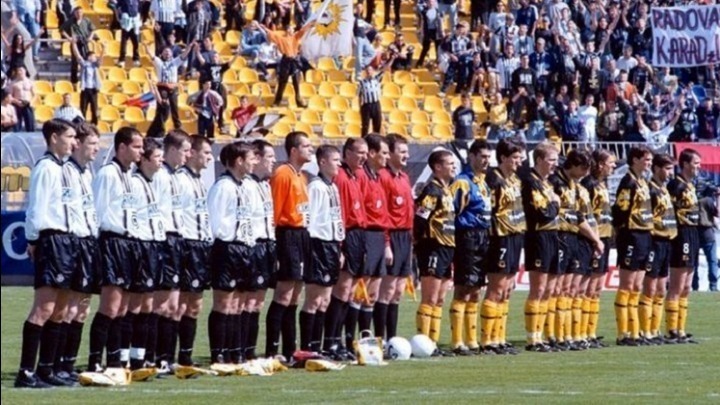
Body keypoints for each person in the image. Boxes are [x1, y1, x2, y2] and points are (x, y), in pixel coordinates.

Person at [15, 119, 77, 388]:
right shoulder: (45, 167)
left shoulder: (64, 168)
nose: (74, 142)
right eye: (70, 136)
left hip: (67, 241)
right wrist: (33, 239)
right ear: (54, 138)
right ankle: (26, 372)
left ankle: (46, 369)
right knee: (44, 308)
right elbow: (36, 208)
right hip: (52, 240)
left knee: (60, 310)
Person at [87, 127, 143, 372]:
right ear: (122, 147)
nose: (141, 151)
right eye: (136, 146)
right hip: (111, 242)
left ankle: (114, 360)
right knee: (110, 306)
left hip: (129, 243)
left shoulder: (130, 175)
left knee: (122, 308)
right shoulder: (107, 174)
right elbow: (97, 211)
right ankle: (94, 361)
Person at [55, 122, 100, 381]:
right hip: (74, 242)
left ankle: (68, 364)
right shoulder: (67, 171)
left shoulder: (87, 172)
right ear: (78, 144)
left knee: (82, 308)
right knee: (69, 307)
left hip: (89, 243)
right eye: (92, 143)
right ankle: (58, 364)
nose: (96, 148)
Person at [207, 141, 257, 364]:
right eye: (250, 158)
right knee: (224, 302)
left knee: (239, 303)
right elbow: (214, 221)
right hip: (226, 248)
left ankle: (235, 351)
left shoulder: (246, 186)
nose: (253, 162)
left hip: (244, 247)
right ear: (238, 161)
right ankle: (219, 352)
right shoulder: (223, 187)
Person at [266, 131, 313, 361]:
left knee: (295, 296)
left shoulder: (302, 176)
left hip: (301, 234)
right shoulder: (282, 174)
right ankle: (271, 350)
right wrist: (275, 243)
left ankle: (290, 349)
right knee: (283, 294)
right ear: (294, 150)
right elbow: (275, 211)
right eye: (306, 146)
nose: (310, 149)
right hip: (287, 234)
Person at [480, 136, 525, 355]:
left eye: (520, 157)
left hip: (515, 235)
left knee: (507, 290)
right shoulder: (493, 179)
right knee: (496, 288)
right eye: (515, 157)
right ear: (504, 158)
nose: (519, 161)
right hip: (500, 237)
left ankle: (499, 337)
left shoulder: (515, 180)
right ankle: (487, 340)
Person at [150, 130, 190, 369]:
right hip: (163, 239)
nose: (188, 155)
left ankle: (167, 357)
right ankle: (153, 357)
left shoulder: (179, 177)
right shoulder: (159, 175)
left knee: (174, 305)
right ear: (172, 150)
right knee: (160, 304)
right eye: (184, 150)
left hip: (178, 240)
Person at [324, 137, 367, 360]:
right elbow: (338, 212)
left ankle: (339, 341)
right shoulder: (340, 177)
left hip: (359, 235)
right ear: (347, 153)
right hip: (347, 234)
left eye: (365, 153)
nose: (364, 157)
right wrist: (340, 246)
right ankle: (330, 341)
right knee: (341, 290)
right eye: (360, 152)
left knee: (350, 292)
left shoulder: (355, 175)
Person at [126, 138, 166, 370]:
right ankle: (123, 358)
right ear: (145, 160)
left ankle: (140, 357)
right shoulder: (134, 182)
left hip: (154, 245)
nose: (161, 161)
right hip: (140, 245)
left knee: (148, 304)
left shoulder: (154, 182)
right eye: (157, 157)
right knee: (134, 304)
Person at [449, 139, 492, 355]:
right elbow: (453, 211)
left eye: (488, 157)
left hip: (483, 237)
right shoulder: (462, 182)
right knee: (464, 288)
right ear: (471, 157)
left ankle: (472, 340)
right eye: (482, 156)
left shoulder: (482, 182)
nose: (486, 161)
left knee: (476, 290)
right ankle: (457, 342)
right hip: (467, 237)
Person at [174, 135, 214, 367]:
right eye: (206, 152)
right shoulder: (180, 179)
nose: (210, 157)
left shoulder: (200, 180)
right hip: (186, 244)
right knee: (180, 303)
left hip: (201, 246)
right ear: (192, 153)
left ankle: (186, 355)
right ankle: (168, 356)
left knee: (195, 304)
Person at [301, 145, 344, 352]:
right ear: (323, 162)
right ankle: (307, 347)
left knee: (325, 300)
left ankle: (318, 347)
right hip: (319, 245)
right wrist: (311, 250)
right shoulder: (316, 187)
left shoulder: (332, 187)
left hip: (332, 245)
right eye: (335, 160)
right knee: (314, 299)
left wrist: (339, 247)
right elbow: (310, 220)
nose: (339, 164)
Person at [414, 149, 456, 351]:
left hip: (447, 246)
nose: (454, 166)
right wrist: (419, 241)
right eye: (450, 163)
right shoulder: (432, 190)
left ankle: (433, 343)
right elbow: (421, 218)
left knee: (439, 299)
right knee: (430, 298)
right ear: (437, 167)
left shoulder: (447, 189)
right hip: (433, 247)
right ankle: (423, 343)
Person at [611, 145, 653, 346]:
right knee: (627, 285)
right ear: (635, 160)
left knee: (637, 286)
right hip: (631, 235)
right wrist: (622, 232)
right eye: (646, 159)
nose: (649, 163)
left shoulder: (642, 181)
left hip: (644, 234)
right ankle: (623, 333)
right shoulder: (628, 182)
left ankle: (634, 332)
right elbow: (620, 210)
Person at [521, 141, 560, 352]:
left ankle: (541, 335)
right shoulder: (531, 182)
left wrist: (553, 205)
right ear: (539, 160)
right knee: (538, 289)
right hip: (538, 237)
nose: (555, 164)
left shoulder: (547, 183)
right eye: (551, 160)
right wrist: (555, 204)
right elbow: (542, 214)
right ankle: (532, 338)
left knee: (549, 290)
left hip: (552, 236)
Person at [376, 134, 413, 343]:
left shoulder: (404, 177)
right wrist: (386, 243)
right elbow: (383, 213)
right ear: (389, 154)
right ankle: (379, 338)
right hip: (391, 236)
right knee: (387, 290)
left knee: (398, 291)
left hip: (405, 237)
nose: (407, 155)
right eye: (402, 151)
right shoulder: (383, 177)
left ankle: (392, 339)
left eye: (407, 151)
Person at [242, 139, 277, 360]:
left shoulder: (265, 185)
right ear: (257, 158)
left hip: (267, 245)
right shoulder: (246, 185)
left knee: (258, 302)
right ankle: (240, 350)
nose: (274, 160)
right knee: (247, 300)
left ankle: (250, 351)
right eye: (269, 156)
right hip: (253, 245)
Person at [666, 149, 702, 344]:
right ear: (685, 164)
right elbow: (668, 212)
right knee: (677, 285)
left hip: (693, 233)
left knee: (687, 286)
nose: (699, 166)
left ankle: (681, 328)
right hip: (681, 235)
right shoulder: (676, 185)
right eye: (696, 163)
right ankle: (672, 329)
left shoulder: (690, 185)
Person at [357, 134, 391, 339]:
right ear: (371, 153)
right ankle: (348, 340)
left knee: (372, 293)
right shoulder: (361, 176)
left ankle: (367, 338)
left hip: (379, 237)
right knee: (358, 290)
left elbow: (382, 214)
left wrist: (386, 243)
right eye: (384, 153)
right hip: (366, 235)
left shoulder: (378, 177)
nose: (387, 157)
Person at [581, 149, 616, 348]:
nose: (613, 166)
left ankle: (590, 332)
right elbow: (586, 216)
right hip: (594, 240)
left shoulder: (602, 184)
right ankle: (581, 332)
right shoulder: (589, 185)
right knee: (589, 288)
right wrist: (594, 240)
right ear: (600, 165)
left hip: (604, 238)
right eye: (610, 163)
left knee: (596, 290)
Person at [642, 153, 677, 345]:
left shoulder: (664, 189)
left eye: (672, 168)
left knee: (661, 289)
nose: (671, 173)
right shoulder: (650, 189)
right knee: (650, 287)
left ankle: (655, 330)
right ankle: (644, 331)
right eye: (668, 168)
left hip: (666, 241)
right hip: (654, 241)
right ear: (656, 168)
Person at [255, 21, 314, 108]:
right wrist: (264, 28)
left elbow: (302, 31)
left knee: (296, 83)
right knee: (282, 83)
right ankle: (277, 101)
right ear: (287, 30)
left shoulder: (295, 37)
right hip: (286, 61)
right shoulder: (281, 39)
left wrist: (309, 25)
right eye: (291, 29)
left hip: (294, 61)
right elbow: (272, 34)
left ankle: (299, 101)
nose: (293, 30)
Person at [70, 38, 102, 125]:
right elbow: (77, 55)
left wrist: (104, 49)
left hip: (93, 89)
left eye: (94, 56)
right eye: (92, 56)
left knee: (94, 109)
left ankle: (94, 124)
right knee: (83, 108)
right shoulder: (84, 64)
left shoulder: (95, 65)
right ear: (88, 57)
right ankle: (82, 124)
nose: (94, 58)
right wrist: (74, 44)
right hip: (85, 89)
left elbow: (100, 59)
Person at [60, 7, 96, 85]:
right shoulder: (70, 21)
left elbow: (93, 30)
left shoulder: (86, 20)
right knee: (75, 61)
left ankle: (86, 79)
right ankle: (74, 81)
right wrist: (69, 38)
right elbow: (62, 30)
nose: (79, 14)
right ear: (74, 13)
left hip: (84, 42)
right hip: (75, 43)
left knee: (86, 60)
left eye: (80, 12)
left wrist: (90, 37)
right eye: (77, 13)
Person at [693, 186, 718, 292]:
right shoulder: (708, 200)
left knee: (694, 262)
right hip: (707, 232)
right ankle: (713, 284)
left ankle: (694, 285)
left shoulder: (694, 200)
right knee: (712, 260)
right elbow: (717, 213)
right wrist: (718, 198)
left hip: (695, 232)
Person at [357, 64, 384, 137]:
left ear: (373, 71)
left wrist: (392, 58)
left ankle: (376, 139)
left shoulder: (376, 79)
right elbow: (359, 96)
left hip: (376, 104)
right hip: (366, 105)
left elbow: (384, 69)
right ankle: (364, 140)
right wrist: (360, 107)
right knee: (365, 125)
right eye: (367, 70)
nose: (369, 72)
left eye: (370, 70)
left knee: (377, 123)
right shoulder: (362, 82)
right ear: (365, 72)